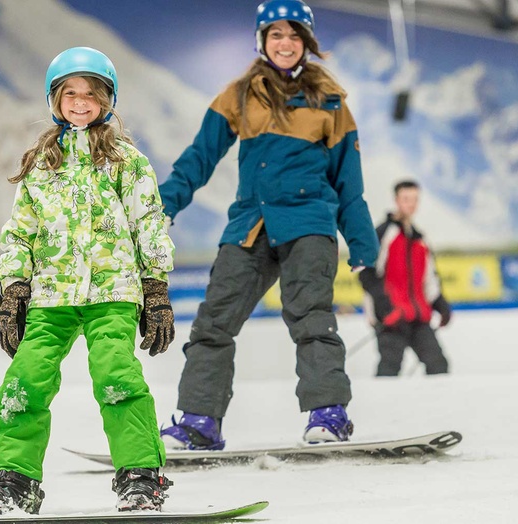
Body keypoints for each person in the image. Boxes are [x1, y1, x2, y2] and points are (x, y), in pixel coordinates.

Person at [158, 0, 379, 451]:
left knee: (311, 318)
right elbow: (199, 158)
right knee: (213, 324)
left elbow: (348, 183)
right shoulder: (238, 95)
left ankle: (328, 414)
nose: (285, 43)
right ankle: (200, 421)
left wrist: (362, 244)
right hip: (250, 225)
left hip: (309, 223)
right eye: (275, 35)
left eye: (294, 35)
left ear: (307, 43)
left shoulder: (330, 101)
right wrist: (164, 205)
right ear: (262, 41)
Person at [0, 47, 176, 517]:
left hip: (112, 292)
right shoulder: (42, 164)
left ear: (107, 100)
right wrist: (15, 287)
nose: (80, 103)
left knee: (116, 378)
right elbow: (20, 230)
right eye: (70, 94)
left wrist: (155, 289)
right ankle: (11, 478)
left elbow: (149, 225)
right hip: (50, 295)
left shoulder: (128, 161)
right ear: (54, 100)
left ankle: (142, 476)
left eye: (91, 94)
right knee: (24, 382)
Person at [361, 180, 451, 377]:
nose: (411, 204)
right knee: (389, 368)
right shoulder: (383, 233)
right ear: (396, 200)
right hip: (392, 317)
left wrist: (441, 305)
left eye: (415, 199)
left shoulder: (420, 238)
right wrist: (384, 308)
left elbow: (429, 279)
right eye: (406, 199)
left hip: (418, 315)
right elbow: (366, 273)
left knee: (439, 365)